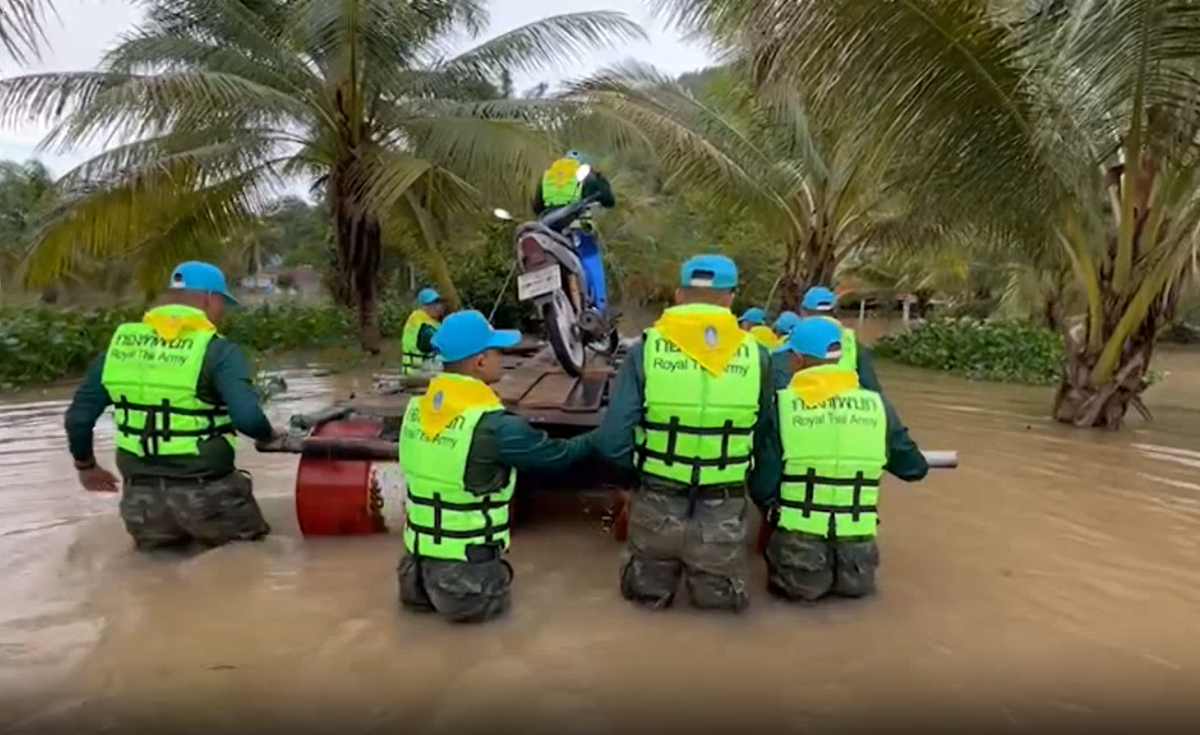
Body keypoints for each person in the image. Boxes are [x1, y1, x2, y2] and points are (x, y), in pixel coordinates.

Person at [593, 255, 781, 612]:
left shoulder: (645, 350)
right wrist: (762, 494)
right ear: (731, 298)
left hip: (657, 495)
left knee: (644, 598)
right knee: (719, 606)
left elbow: (612, 440)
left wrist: (634, 483)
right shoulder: (758, 356)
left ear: (679, 295)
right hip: (724, 501)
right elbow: (765, 437)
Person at [397, 310, 595, 624]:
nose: (501, 357)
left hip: (413, 574)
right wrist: (599, 438)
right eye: (496, 351)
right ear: (479, 362)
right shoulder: (495, 426)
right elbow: (558, 457)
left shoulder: (415, 410)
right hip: (466, 583)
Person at [64, 261, 277, 550]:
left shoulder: (121, 349)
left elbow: (78, 418)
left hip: (141, 500)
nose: (222, 312)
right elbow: (248, 418)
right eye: (222, 303)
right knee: (250, 560)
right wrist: (269, 436)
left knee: (157, 569)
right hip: (210, 494)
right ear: (209, 299)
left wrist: (86, 466)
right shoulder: (218, 351)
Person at [755, 319, 928, 601]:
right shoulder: (878, 406)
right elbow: (914, 469)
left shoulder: (782, 406)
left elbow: (763, 485)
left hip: (799, 555)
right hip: (858, 561)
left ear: (797, 360)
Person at [532, 150, 617, 315]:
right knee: (591, 258)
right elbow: (609, 200)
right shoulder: (588, 174)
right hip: (576, 228)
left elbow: (537, 207)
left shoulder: (547, 176)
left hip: (549, 230)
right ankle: (599, 308)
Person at [797, 286, 884, 393]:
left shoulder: (794, 337)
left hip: (806, 399)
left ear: (803, 311)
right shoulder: (851, 340)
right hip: (847, 399)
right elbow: (872, 386)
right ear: (834, 311)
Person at [401, 288, 446, 376]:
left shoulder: (432, 321)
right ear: (422, 307)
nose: (437, 307)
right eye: (431, 305)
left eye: (437, 303)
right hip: (417, 369)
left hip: (424, 365)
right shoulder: (420, 321)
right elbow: (436, 343)